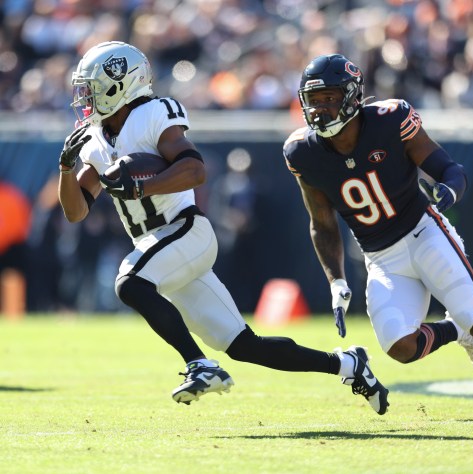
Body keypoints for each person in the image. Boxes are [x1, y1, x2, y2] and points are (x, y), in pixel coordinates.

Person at [57, 41, 389, 415]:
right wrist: (67, 171)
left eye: (92, 87)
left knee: (131, 282)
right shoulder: (97, 138)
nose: (85, 97)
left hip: (185, 232)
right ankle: (348, 364)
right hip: (158, 246)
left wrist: (142, 186)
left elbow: (195, 170)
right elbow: (75, 211)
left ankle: (199, 364)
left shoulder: (152, 114)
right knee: (246, 346)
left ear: (121, 83)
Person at [283, 54, 473, 420]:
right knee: (399, 346)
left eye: (329, 98)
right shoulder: (302, 151)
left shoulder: (390, 119)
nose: (320, 109)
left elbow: (447, 168)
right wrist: (336, 281)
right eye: (313, 100)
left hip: (424, 232)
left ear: (351, 96)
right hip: (380, 255)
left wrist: (448, 190)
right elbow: (322, 223)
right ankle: (455, 331)